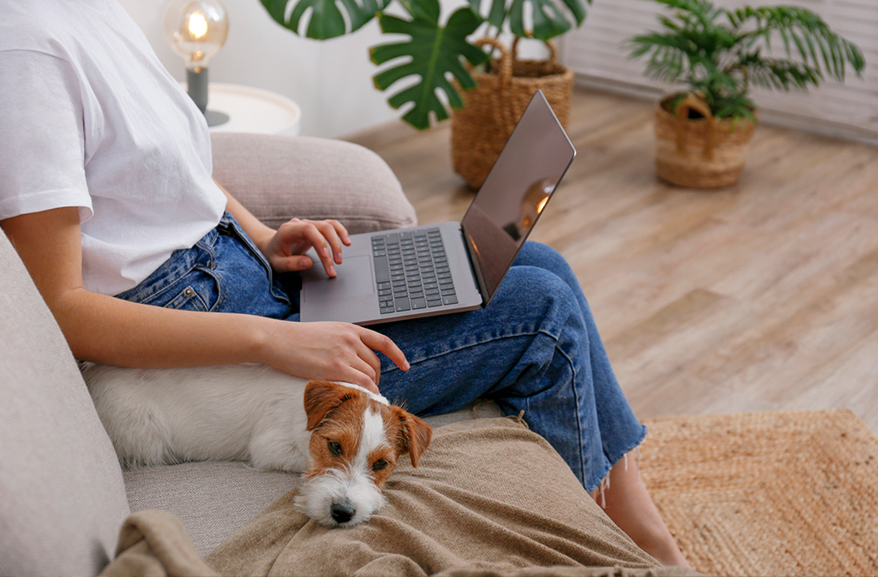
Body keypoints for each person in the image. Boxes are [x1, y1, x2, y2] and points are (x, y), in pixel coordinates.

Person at [0, 0, 689, 568]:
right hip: (212, 341)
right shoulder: (28, 51)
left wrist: (269, 239)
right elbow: (62, 308)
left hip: (247, 279)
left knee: (544, 265)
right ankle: (631, 539)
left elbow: (181, 172)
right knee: (544, 312)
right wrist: (279, 343)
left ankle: (623, 501)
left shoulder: (94, 13)